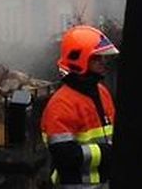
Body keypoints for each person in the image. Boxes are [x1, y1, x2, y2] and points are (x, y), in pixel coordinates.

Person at [42, 25, 119, 187]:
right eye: (97, 58)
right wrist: (107, 152)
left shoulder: (102, 92)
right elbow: (65, 156)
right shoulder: (61, 104)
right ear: (79, 59)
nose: (103, 63)